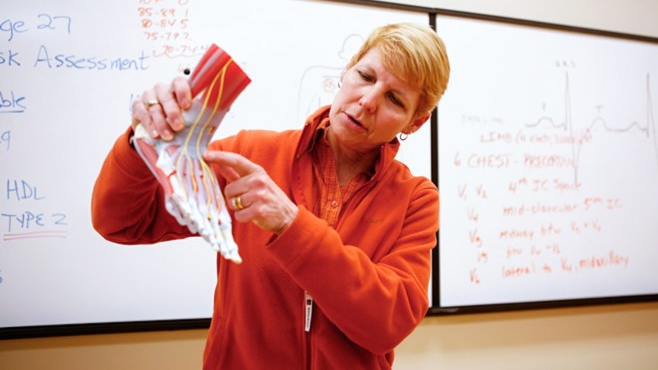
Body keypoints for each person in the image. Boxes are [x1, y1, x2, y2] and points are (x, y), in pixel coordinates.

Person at [91, 22, 450, 369]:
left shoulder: (415, 198)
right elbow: (124, 222)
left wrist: (292, 225)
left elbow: (388, 324)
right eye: (366, 76)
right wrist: (143, 142)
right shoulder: (249, 155)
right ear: (346, 71)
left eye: (394, 99)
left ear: (415, 122)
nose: (368, 101)